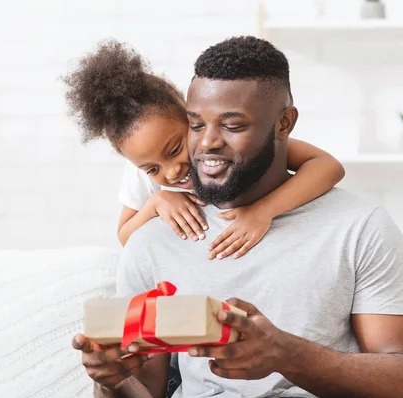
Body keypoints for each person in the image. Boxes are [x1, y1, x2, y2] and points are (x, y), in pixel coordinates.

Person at [72, 36, 403, 398]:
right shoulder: (153, 240)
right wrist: (112, 382)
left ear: (284, 124)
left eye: (231, 125)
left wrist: (287, 355)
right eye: (196, 125)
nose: (207, 143)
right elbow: (144, 393)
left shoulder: (359, 226)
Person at [63, 40, 345, 261]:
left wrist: (263, 211)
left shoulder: (229, 148)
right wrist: (156, 204)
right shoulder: (143, 173)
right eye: (152, 169)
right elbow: (125, 235)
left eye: (174, 149)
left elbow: (328, 166)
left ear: (191, 119)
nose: (172, 172)